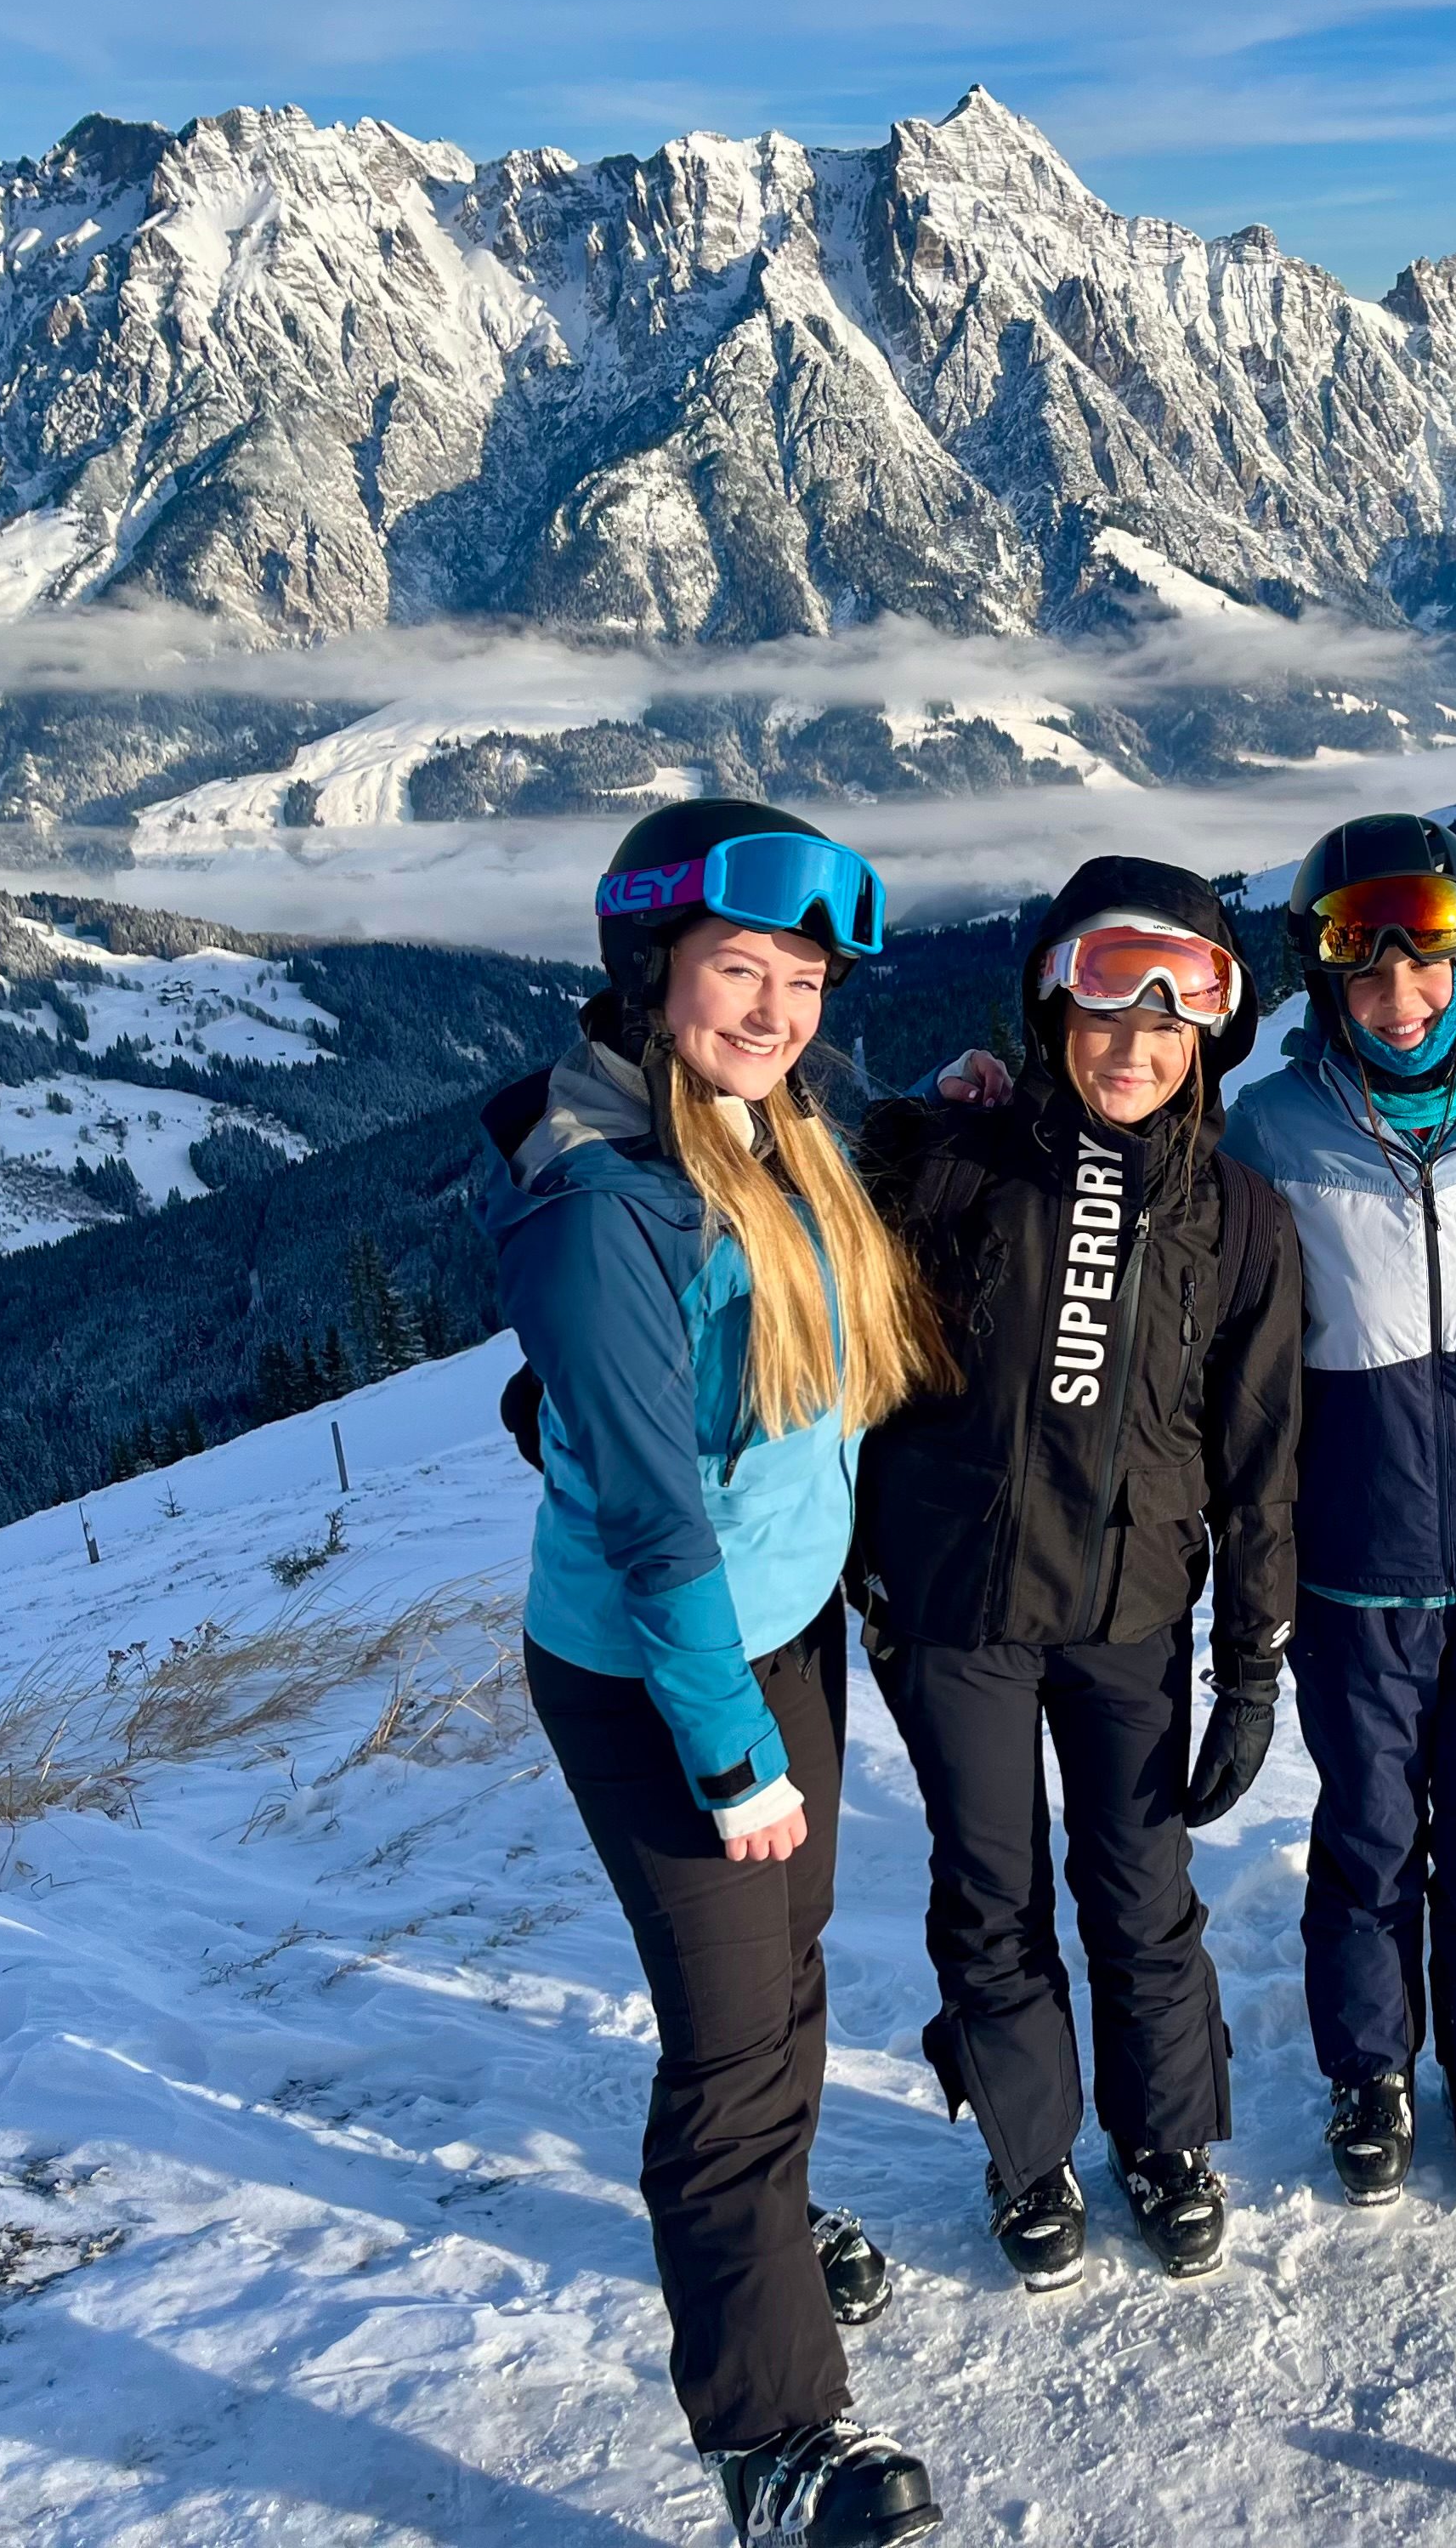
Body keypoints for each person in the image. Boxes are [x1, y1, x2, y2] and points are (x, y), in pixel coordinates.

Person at [481, 798, 955, 2548]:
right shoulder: (602, 1203)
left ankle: (769, 2221)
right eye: (740, 970)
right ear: (648, 968)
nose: (776, 1010)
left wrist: (956, 1101)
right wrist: (731, 1749)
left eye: (804, 981)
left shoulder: (771, 1126)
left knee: (788, 1961)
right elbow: (652, 1526)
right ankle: (775, 2440)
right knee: (732, 2042)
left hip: (780, 1631)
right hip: (659, 1672)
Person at [853, 860, 1303, 2286]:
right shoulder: (956, 1165)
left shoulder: (1242, 1219)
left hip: (1131, 1618)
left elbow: (1261, 1461)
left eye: (1173, 1016)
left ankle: (1165, 2139)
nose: (1136, 1044)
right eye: (1107, 1004)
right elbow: (815, 1294)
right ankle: (1029, 2153)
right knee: (991, 1895)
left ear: (1213, 1034)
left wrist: (1252, 1663)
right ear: (1051, 1007)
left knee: (1142, 1890)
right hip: (961, 1610)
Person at [1221, 816, 1456, 2216]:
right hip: (1355, 1556)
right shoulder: (1269, 1132)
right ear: (1323, 978)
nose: (1398, 997)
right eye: (1363, 968)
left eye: (1425, 962)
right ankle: (1371, 2073)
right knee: (1370, 1834)